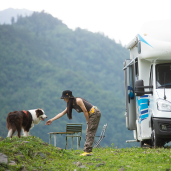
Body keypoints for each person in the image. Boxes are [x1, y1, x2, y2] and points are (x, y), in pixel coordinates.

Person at [45, 90, 101, 156]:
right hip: (91, 115)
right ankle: (87, 151)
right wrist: (51, 120)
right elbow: (62, 113)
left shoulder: (78, 101)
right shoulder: (71, 104)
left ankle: (88, 152)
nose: (64, 100)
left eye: (64, 98)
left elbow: (85, 111)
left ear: (69, 97)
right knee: (88, 131)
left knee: (90, 131)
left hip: (94, 113)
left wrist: (88, 123)